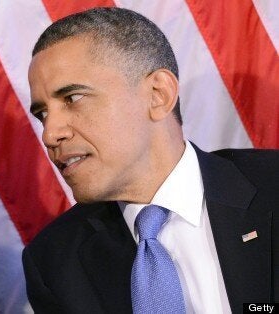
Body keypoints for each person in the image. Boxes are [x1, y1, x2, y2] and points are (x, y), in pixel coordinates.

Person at [22, 7, 278, 313]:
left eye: (72, 98)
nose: (50, 134)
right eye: (42, 114)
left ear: (158, 94)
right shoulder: (55, 262)